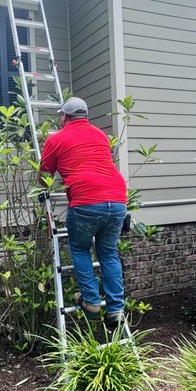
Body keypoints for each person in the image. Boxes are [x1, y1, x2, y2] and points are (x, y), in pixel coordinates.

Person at [39, 96, 128, 326]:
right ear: (85, 116)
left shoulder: (56, 139)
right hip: (117, 199)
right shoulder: (100, 135)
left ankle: (91, 302)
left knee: (79, 248)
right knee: (108, 253)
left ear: (64, 117)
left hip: (87, 201)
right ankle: (116, 310)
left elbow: (44, 177)